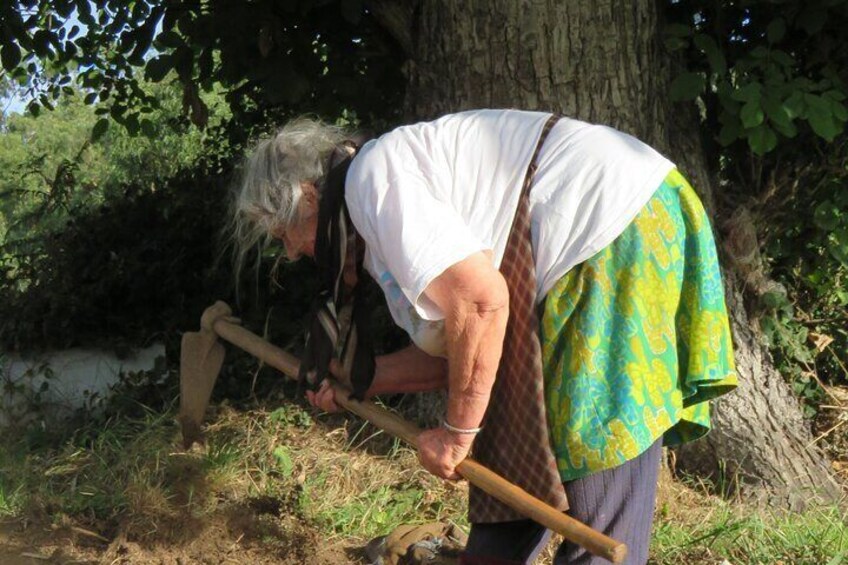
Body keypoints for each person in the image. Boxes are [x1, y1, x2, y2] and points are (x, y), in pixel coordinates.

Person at [231, 109, 738, 564]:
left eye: (283, 236)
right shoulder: (375, 213)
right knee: (515, 451)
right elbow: (462, 344)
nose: (294, 253)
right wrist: (359, 379)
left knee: (595, 469)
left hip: (613, 226)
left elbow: (481, 304)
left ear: (307, 196)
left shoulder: (374, 181)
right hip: (601, 232)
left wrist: (457, 434)